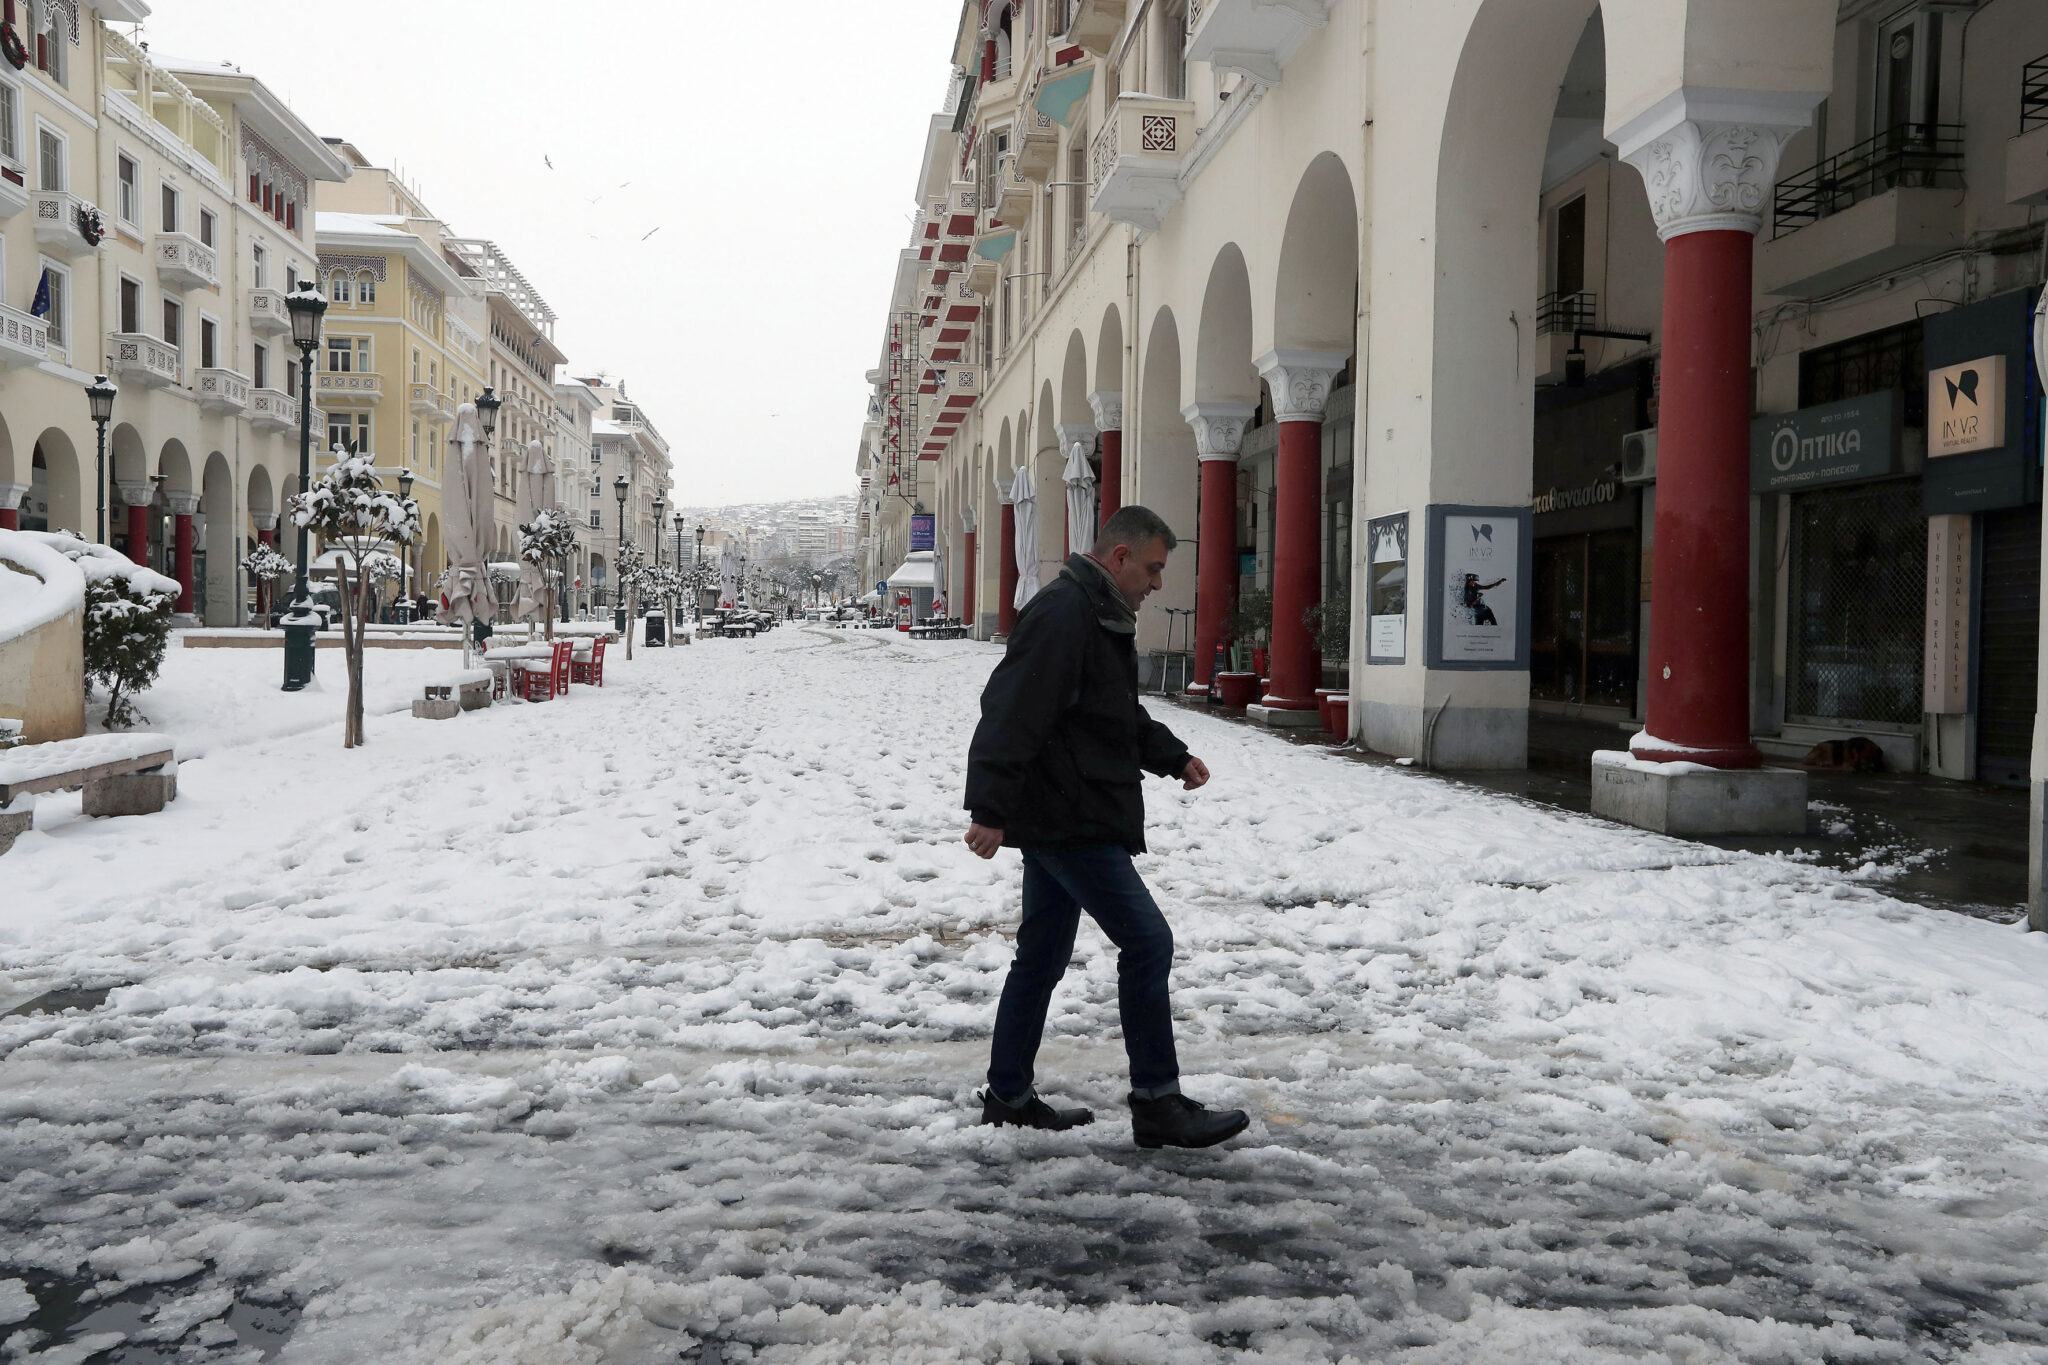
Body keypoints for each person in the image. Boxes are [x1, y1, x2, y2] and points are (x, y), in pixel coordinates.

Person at [964, 505, 1251, 1151]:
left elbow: (1109, 714)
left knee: (1039, 957)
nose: (1156, 581)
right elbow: (1011, 707)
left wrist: (1172, 754)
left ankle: (1008, 1096)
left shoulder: (1094, 612)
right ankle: (1156, 1101)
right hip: (1072, 815)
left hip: (1068, 808)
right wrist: (989, 807)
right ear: (1118, 557)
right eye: (1151, 568)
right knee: (1147, 944)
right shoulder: (1066, 612)